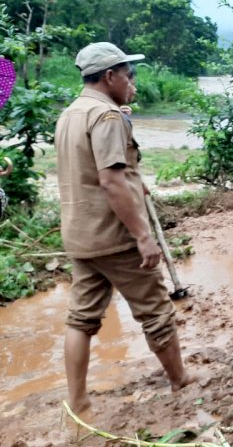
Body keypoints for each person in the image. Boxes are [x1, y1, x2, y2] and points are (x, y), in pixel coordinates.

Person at [56, 42, 194, 415]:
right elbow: (111, 181)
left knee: (81, 319)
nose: (133, 82)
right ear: (110, 76)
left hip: (81, 236)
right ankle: (180, 380)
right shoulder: (107, 118)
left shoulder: (72, 113)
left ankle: (78, 399)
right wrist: (143, 237)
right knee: (156, 311)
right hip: (116, 236)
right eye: (129, 75)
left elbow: (99, 170)